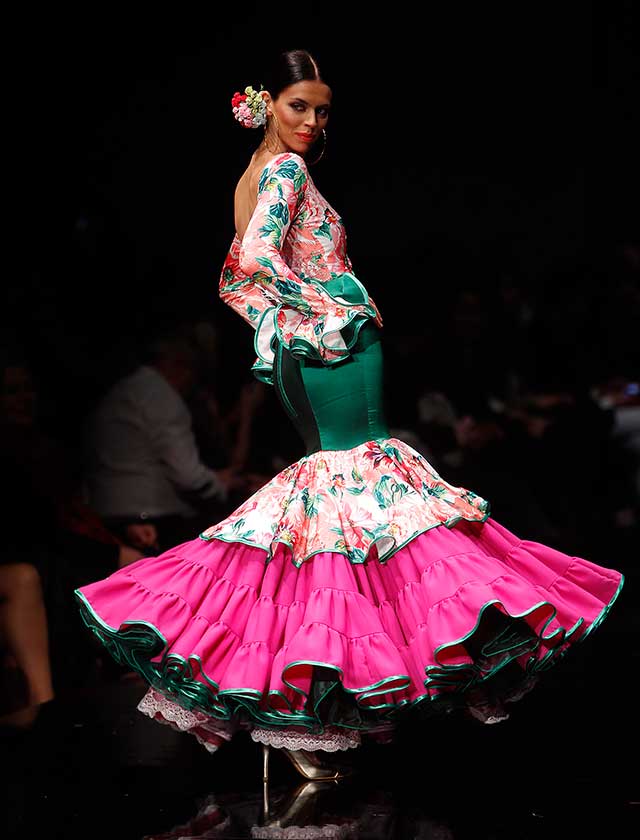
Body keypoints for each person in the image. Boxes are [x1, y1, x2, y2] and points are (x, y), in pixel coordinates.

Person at [74, 49, 625, 786]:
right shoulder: (284, 171)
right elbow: (256, 260)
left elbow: (239, 276)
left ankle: (314, 699)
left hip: (306, 350)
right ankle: (328, 692)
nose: (312, 121)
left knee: (335, 512)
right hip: (330, 346)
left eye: (322, 109)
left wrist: (283, 325)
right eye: (298, 105)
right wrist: (328, 307)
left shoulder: (255, 173)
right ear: (269, 104)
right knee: (366, 494)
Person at [83, 326, 242, 552]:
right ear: (179, 365)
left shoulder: (126, 387)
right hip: (151, 522)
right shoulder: (162, 396)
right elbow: (188, 477)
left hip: (107, 513)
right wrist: (221, 487)